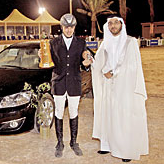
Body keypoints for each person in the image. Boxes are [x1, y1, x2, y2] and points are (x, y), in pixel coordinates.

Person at [90, 15, 149, 162]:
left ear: (121, 25)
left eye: (116, 23)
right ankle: (107, 145)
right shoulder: (105, 43)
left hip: (126, 87)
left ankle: (125, 150)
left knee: (123, 117)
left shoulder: (131, 42)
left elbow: (133, 65)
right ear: (107, 26)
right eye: (110, 23)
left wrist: (114, 73)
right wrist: (99, 67)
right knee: (108, 114)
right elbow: (98, 63)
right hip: (108, 86)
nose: (113, 26)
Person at [39, 13, 92, 158]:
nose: (69, 30)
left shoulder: (81, 43)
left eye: (71, 27)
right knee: (59, 112)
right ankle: (60, 142)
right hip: (59, 83)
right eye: (66, 27)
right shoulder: (53, 43)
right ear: (62, 27)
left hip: (74, 83)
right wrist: (41, 56)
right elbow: (47, 62)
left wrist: (86, 64)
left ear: (74, 27)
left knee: (74, 112)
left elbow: (84, 60)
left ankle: (74, 142)